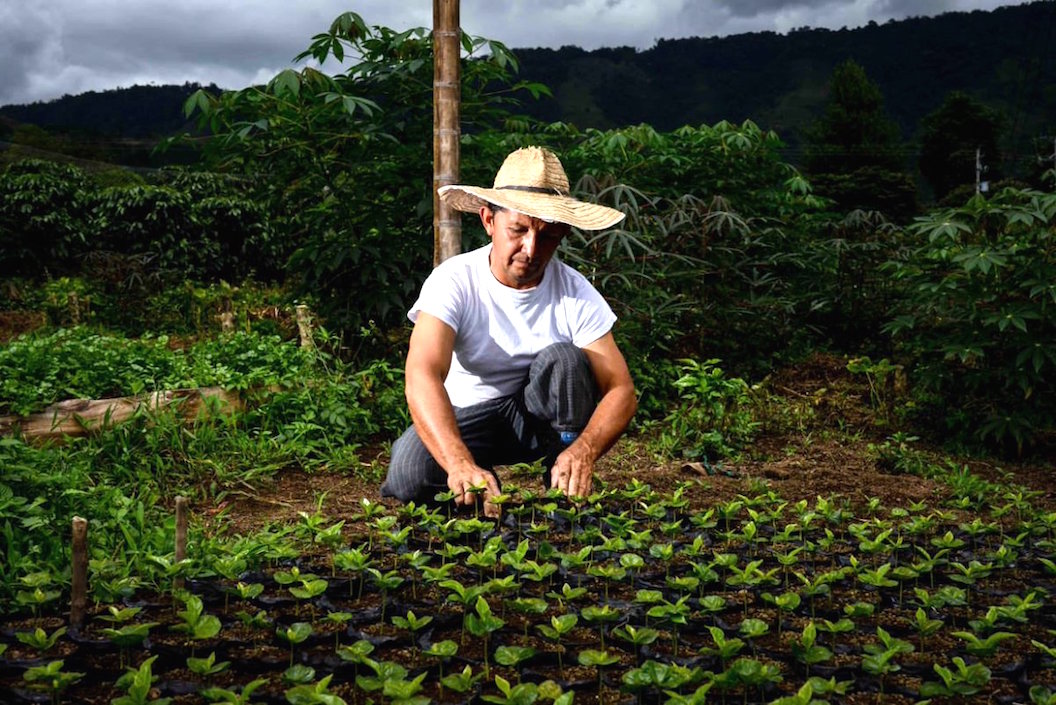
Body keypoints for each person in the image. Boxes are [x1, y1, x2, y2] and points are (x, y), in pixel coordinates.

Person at [380, 146, 637, 517]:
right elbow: (422, 374)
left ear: (562, 234)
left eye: (547, 236)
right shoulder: (454, 281)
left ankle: (561, 482)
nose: (530, 249)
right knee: (409, 475)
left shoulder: (575, 291)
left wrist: (584, 451)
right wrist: (457, 461)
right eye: (518, 230)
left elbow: (621, 389)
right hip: (468, 416)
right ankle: (473, 477)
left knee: (565, 360)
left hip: (537, 420)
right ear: (488, 221)